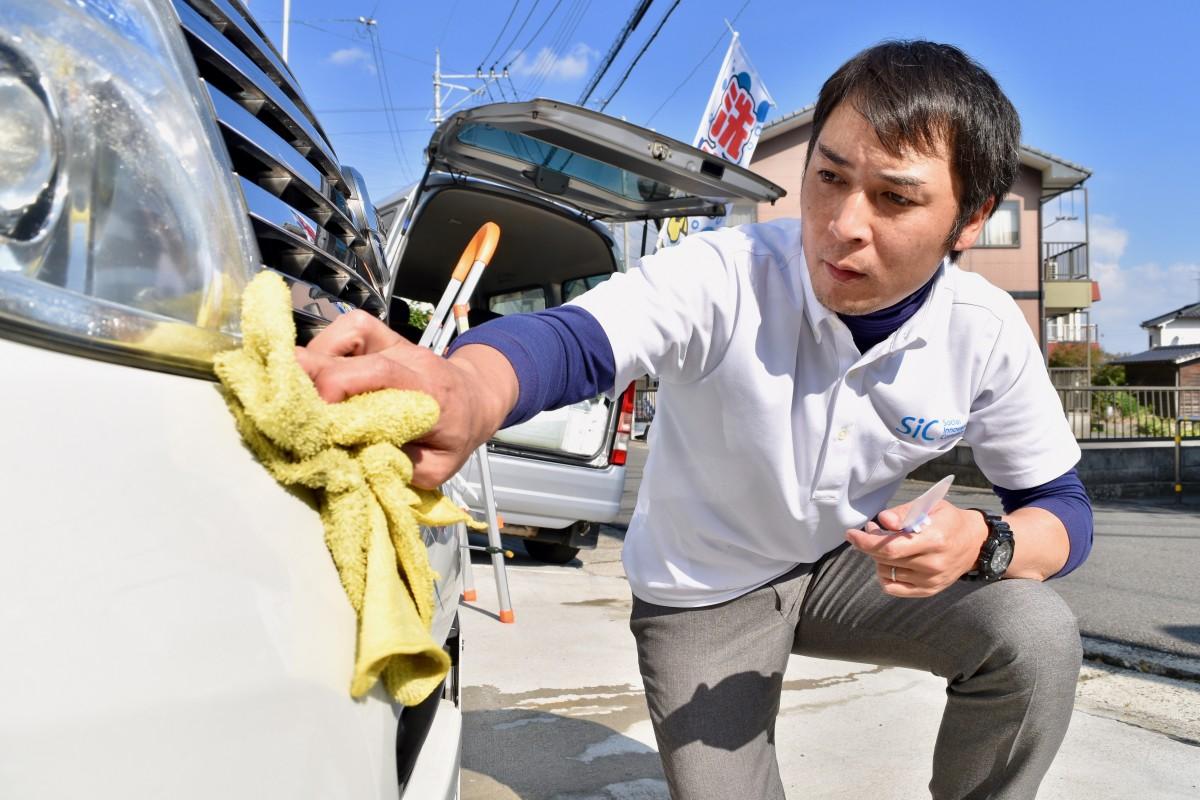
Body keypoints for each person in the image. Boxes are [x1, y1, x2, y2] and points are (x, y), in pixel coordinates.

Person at [296, 40, 1093, 800]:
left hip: (847, 565)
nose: (845, 223)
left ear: (971, 217)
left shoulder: (985, 331)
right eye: (828, 177)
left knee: (1033, 633)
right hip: (705, 588)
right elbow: (577, 340)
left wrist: (989, 545)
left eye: (895, 198)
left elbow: (1062, 508)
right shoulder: (728, 273)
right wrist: (468, 386)